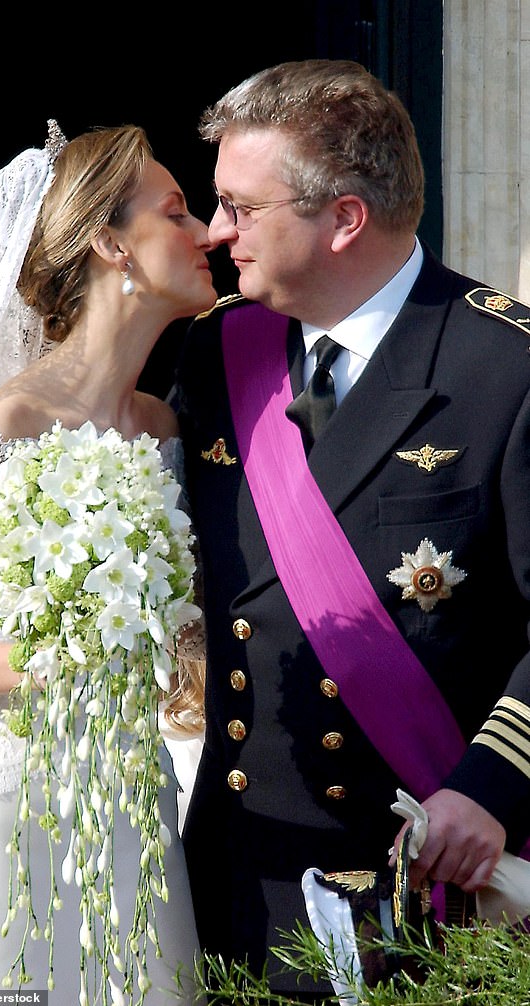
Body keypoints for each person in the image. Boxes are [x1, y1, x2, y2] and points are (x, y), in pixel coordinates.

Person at [174, 59, 530, 1000]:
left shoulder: (504, 368)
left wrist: (491, 789)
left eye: (241, 207)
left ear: (343, 219)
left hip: (421, 887)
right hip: (239, 883)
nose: (217, 234)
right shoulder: (216, 353)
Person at [0, 121, 214, 1002]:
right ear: (112, 243)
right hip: (2, 813)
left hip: (133, 809)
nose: (210, 233)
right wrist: (57, 664)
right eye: (178, 212)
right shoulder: (3, 427)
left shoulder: (165, 431)